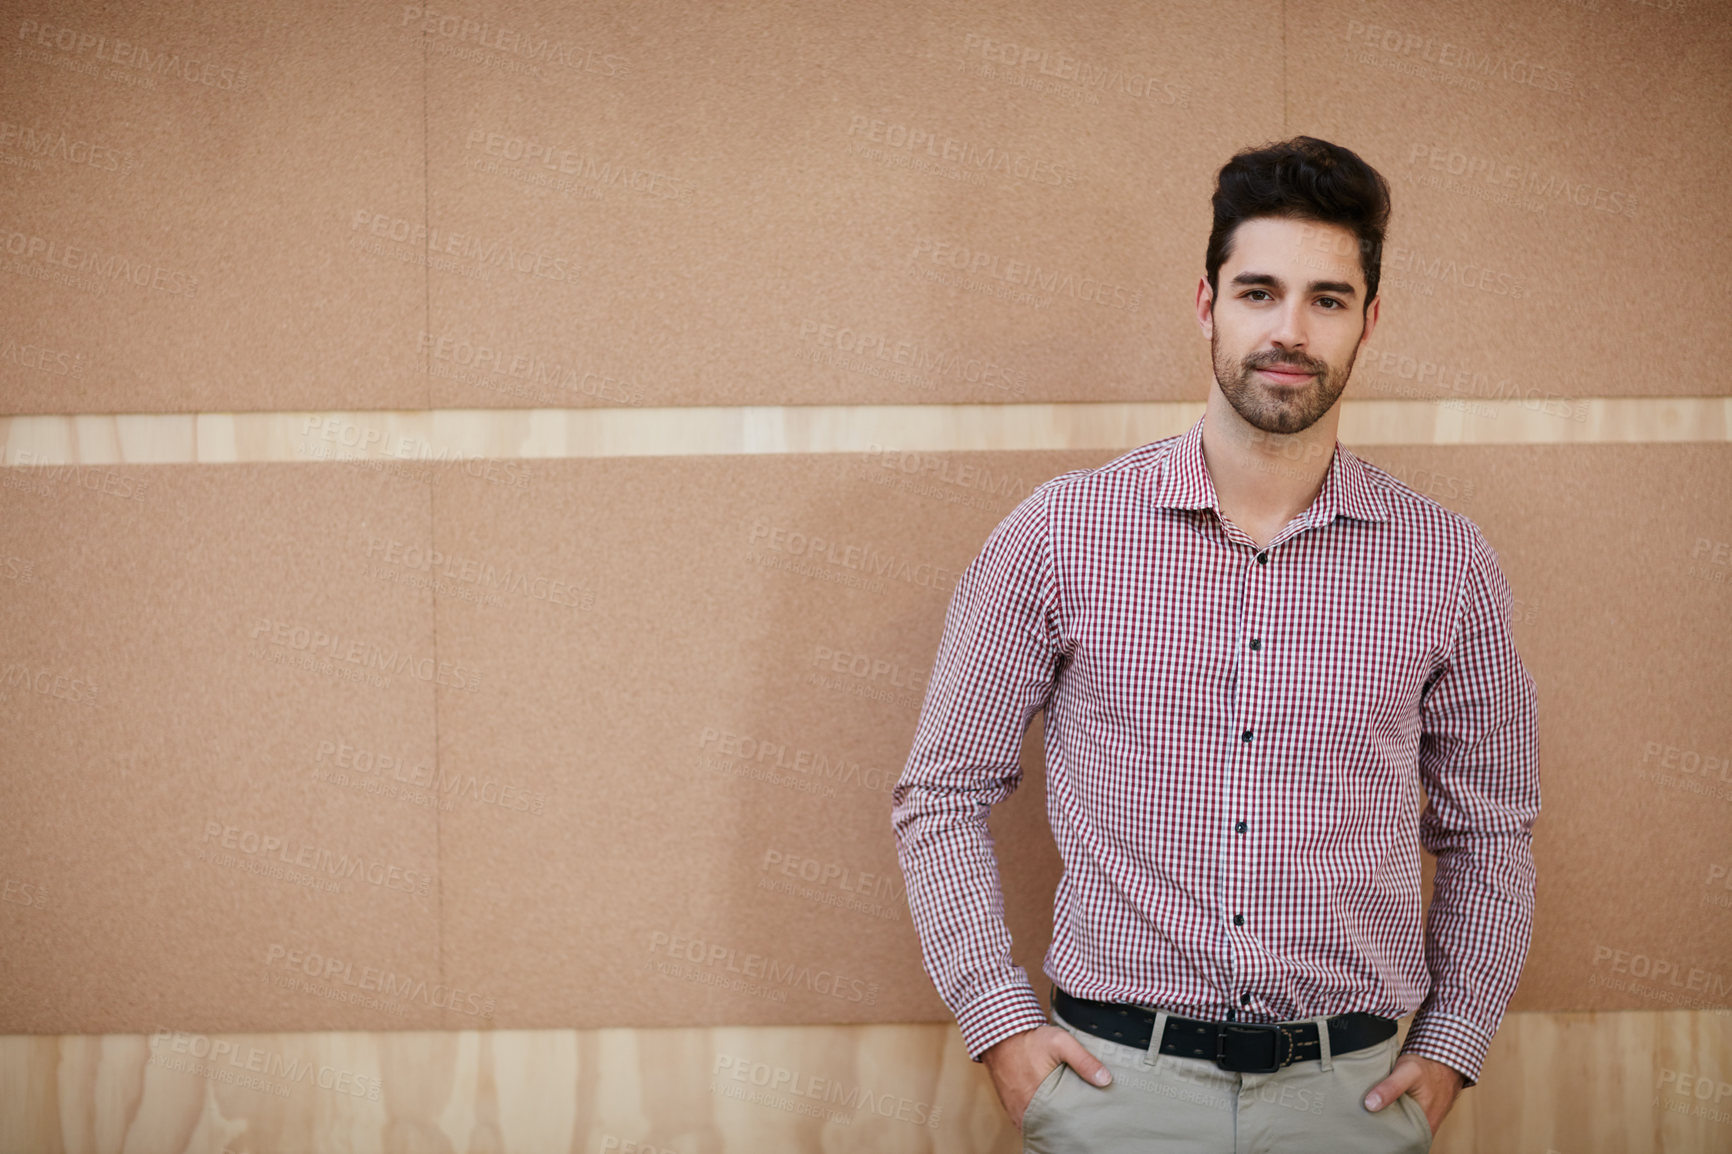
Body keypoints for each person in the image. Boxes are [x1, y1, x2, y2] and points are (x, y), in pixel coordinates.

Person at [890, 136, 1540, 1152]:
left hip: (1352, 1101)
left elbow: (1491, 827)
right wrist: (1000, 1025)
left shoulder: (1447, 564)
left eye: (1326, 299)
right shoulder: (1058, 534)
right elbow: (940, 792)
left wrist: (1453, 1042)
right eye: (1258, 291)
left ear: (1370, 320)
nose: (1288, 329)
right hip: (1114, 1091)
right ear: (1206, 304)